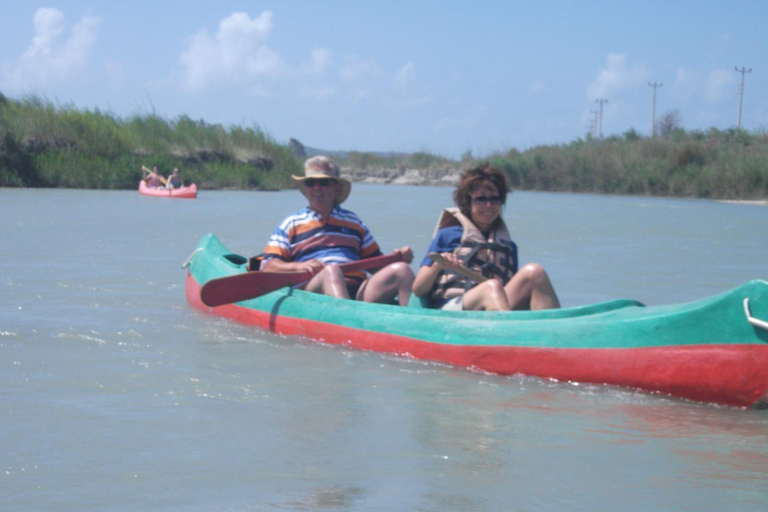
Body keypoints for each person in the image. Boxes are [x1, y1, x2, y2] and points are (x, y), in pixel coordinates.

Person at [260, 155, 415, 305]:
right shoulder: (290, 224)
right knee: (331, 272)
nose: (317, 188)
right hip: (312, 293)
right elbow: (267, 266)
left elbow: (374, 264)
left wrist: (398, 258)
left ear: (336, 188)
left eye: (324, 182)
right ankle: (349, 322)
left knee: (402, 270)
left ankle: (417, 323)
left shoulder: (354, 222)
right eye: (311, 182)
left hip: (357, 290)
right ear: (306, 188)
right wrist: (299, 266)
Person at [412, 164, 560, 311]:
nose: (489, 205)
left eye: (495, 199)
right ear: (467, 203)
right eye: (481, 199)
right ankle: (507, 332)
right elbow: (418, 289)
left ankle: (553, 330)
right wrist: (438, 266)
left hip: (496, 305)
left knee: (535, 272)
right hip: (453, 310)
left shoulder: (508, 245)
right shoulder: (447, 235)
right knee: (491, 286)